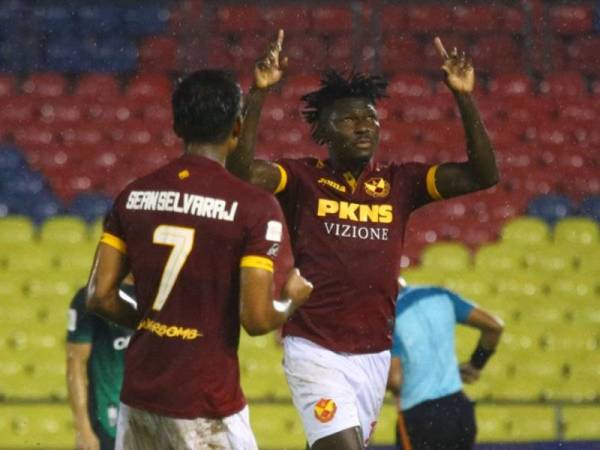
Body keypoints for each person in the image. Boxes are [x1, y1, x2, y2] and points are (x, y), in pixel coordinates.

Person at [227, 30, 499, 449]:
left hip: (374, 352)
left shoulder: (400, 183)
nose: (364, 126)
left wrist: (464, 96)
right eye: (350, 119)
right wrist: (259, 93)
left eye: (371, 118)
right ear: (325, 130)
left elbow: (484, 175)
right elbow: (242, 172)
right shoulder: (302, 177)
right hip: (315, 347)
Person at [85, 69, 313, 449]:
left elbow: (100, 295)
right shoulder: (255, 207)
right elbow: (257, 320)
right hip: (206, 404)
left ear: (177, 125)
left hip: (139, 398)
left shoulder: (133, 195)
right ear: (237, 127)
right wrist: (291, 300)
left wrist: (157, 320)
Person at [388, 280, 504, 450]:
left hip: (420, 417)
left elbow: (395, 380)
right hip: (459, 410)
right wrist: (475, 364)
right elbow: (495, 326)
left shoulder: (388, 317)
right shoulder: (440, 295)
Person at [67, 279, 136, 450]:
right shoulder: (90, 297)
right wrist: (83, 429)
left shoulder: (166, 295)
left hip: (156, 415)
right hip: (108, 416)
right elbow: (75, 362)